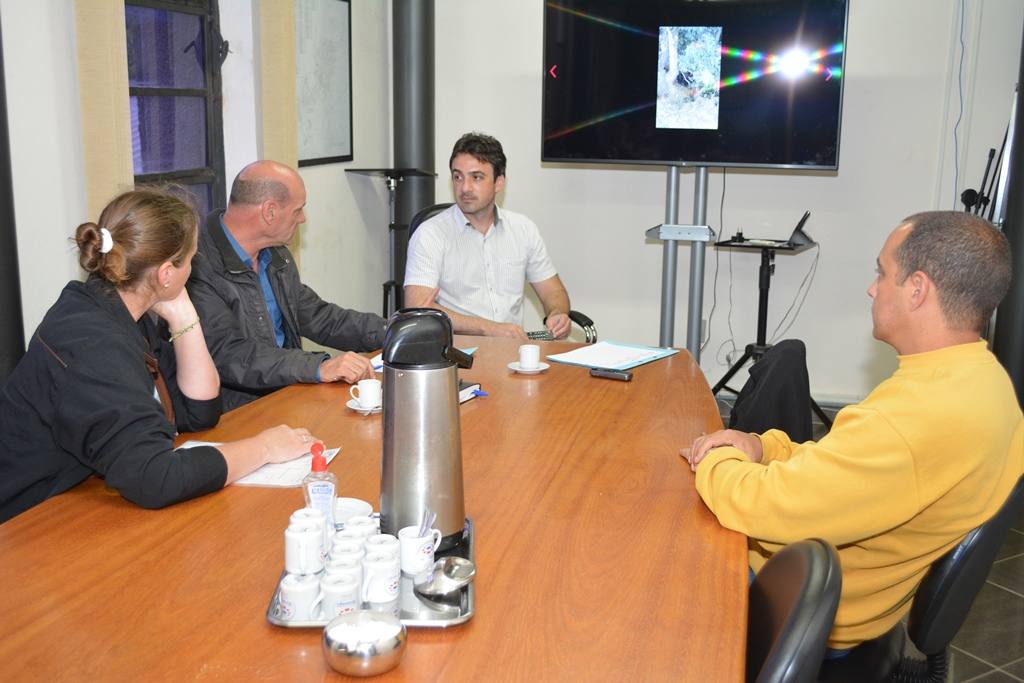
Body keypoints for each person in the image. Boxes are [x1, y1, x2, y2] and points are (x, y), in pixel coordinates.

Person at [681, 211, 1024, 652]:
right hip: (862, 599)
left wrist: (713, 457)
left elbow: (763, 508)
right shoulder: (983, 382)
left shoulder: (914, 418)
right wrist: (762, 447)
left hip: (805, 608)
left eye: (883, 273)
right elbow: (845, 464)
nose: (872, 287)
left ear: (917, 289)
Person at [0, 188, 317, 524]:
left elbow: (199, 411)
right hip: (23, 523)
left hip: (72, 499)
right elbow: (155, 479)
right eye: (192, 259)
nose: (194, 268)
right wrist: (264, 447)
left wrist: (183, 316)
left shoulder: (113, 307)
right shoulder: (95, 342)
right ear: (166, 273)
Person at [187, 160, 387, 412]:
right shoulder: (196, 266)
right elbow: (230, 355)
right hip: (232, 414)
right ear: (269, 211)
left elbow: (319, 316)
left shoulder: (275, 256)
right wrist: (317, 367)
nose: (302, 219)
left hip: (286, 398)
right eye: (298, 210)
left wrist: (393, 333)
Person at [404, 132, 572, 340]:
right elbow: (418, 307)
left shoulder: (523, 229)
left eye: (476, 177)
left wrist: (557, 313)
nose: (464, 188)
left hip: (514, 355)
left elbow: (552, 291)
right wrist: (488, 328)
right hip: (456, 357)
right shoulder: (430, 234)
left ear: (498, 183)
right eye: (458, 177)